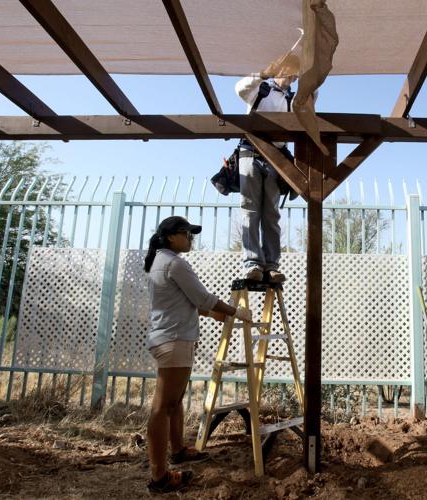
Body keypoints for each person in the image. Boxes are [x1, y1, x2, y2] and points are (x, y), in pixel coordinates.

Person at [143, 215, 253, 494]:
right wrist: (235, 311)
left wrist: (213, 312)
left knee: (175, 401)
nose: (190, 237)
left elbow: (189, 301)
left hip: (172, 338)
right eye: (186, 233)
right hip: (174, 339)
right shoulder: (175, 263)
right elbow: (202, 297)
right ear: (170, 236)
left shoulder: (162, 262)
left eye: (192, 233)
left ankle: (178, 450)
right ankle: (159, 477)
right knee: (162, 407)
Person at [234, 54, 301, 283]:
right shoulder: (261, 89)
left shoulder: (292, 98)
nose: (292, 76)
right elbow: (240, 89)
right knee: (250, 210)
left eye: (296, 73)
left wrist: (314, 82)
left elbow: (309, 104)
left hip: (276, 158)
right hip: (251, 151)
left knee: (271, 214)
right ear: (280, 70)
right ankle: (252, 263)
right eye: (290, 71)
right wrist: (262, 73)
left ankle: (271, 266)